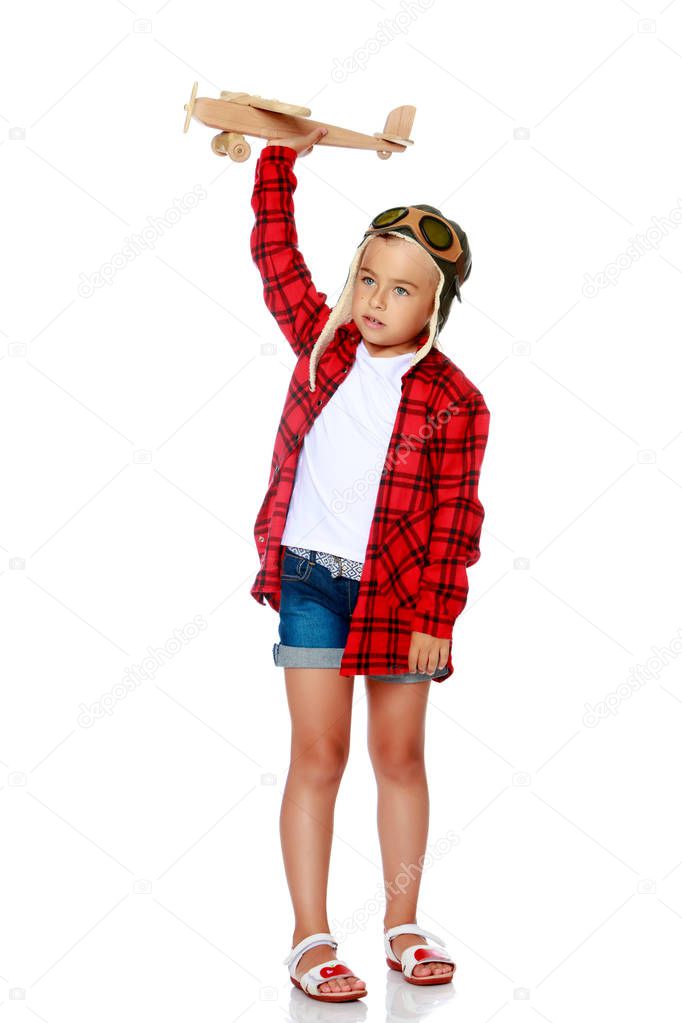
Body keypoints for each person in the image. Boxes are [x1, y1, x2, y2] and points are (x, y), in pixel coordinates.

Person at [248, 125, 491, 1002]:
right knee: (318, 753)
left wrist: (437, 616)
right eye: (367, 279)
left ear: (435, 306)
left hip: (399, 596)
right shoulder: (326, 344)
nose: (378, 299)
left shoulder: (456, 399)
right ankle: (310, 936)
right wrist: (280, 159)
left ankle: (401, 920)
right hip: (311, 579)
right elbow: (276, 255)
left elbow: (457, 519)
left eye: (402, 289)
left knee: (400, 756)